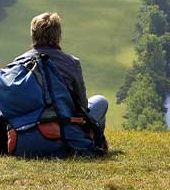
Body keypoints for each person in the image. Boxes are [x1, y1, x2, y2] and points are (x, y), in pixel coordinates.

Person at [15, 12, 108, 142]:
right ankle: (95, 141)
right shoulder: (72, 63)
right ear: (58, 35)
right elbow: (83, 104)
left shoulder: (18, 62)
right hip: (66, 125)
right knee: (101, 101)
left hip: (28, 126)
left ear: (33, 35)